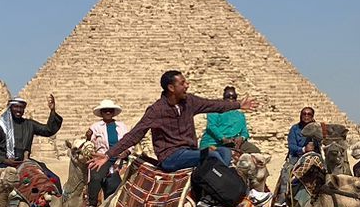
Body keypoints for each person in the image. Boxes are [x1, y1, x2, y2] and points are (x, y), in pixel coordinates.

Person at [106, 70, 256, 173]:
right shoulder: (156, 110)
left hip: (190, 151)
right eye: (183, 83)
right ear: (171, 87)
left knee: (225, 152)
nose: (187, 85)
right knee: (211, 155)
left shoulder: (189, 101)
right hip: (170, 156)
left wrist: (239, 105)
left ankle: (221, 187)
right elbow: (135, 134)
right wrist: (108, 155)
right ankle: (215, 195)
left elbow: (213, 104)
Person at [0, 95, 63, 173]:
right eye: (16, 107)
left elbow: (48, 130)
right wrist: (5, 160)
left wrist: (52, 110)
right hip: (2, 163)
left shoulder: (29, 124)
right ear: (10, 108)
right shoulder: (0, 125)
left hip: (24, 162)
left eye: (21, 107)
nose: (19, 110)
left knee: (53, 178)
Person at [86, 99, 125, 207]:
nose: (108, 112)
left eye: (110, 110)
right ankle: (92, 205)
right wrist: (88, 137)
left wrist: (126, 153)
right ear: (101, 113)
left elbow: (129, 142)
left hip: (120, 158)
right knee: (96, 178)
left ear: (113, 112)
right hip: (102, 158)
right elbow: (89, 146)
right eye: (105, 111)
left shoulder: (121, 126)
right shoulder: (95, 127)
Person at [200, 86, 253, 155]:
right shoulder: (215, 111)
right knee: (221, 155)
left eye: (233, 98)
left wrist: (242, 138)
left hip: (233, 144)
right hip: (213, 142)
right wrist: (223, 139)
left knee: (255, 153)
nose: (230, 100)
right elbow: (211, 126)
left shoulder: (240, 115)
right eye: (228, 97)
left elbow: (245, 132)